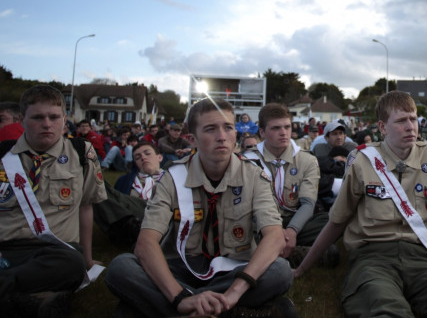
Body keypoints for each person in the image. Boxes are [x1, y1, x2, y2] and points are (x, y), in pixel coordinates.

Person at [293, 91, 427, 318]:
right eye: (401, 121)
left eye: (413, 119)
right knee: (382, 307)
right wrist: (302, 268)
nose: (411, 127)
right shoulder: (363, 161)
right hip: (373, 257)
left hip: (422, 256)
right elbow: (337, 220)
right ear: (382, 127)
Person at [105, 98, 294, 317]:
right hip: (179, 269)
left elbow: (275, 237)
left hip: (233, 271)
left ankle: (170, 308)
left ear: (236, 134)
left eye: (228, 128)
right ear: (192, 139)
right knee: (120, 268)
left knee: (280, 271)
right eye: (210, 129)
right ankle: (224, 311)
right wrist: (181, 297)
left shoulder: (254, 176)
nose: (222, 137)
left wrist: (235, 291)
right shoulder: (172, 177)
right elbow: (146, 243)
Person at [0, 85, 107, 316]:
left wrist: (87, 259)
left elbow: (86, 206)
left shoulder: (82, 153)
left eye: (54, 117)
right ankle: (26, 298)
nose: (47, 124)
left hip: (52, 252)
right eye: (38, 117)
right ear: (21, 119)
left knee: (72, 264)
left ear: (64, 119)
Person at [244, 103, 335, 267]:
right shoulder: (248, 161)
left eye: (287, 127)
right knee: (240, 230)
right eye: (276, 128)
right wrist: (273, 232)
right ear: (262, 132)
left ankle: (272, 253)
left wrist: (292, 231)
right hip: (262, 223)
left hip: (294, 220)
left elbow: (308, 203)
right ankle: (294, 253)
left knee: (331, 221)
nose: (283, 133)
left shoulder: (307, 160)